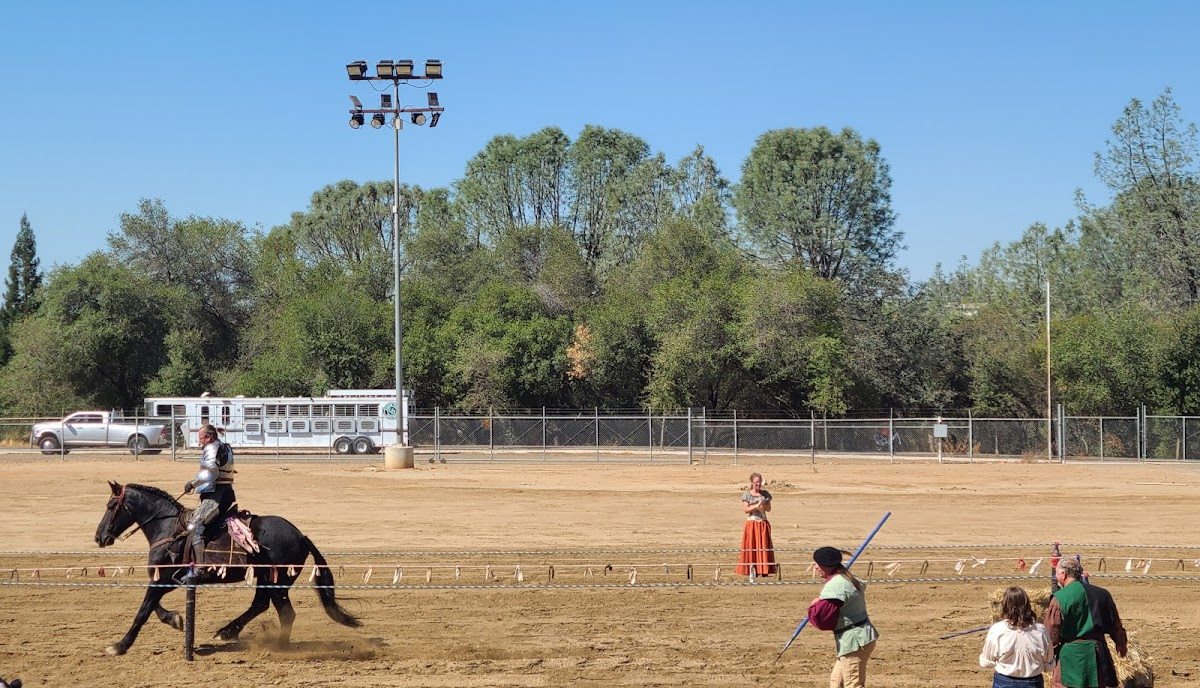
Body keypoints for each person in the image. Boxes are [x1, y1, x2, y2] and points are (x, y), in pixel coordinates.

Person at [1044, 558, 1127, 688]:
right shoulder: (1103, 594)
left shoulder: (1059, 598)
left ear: (1063, 574)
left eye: (1057, 573)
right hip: (1098, 654)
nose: (1055, 576)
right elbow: (1115, 625)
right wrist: (1121, 644)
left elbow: (1051, 632)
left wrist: (1049, 655)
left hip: (1070, 656)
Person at [807, 546, 878, 688]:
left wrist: (814, 606)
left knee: (853, 685)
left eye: (816, 564)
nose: (814, 567)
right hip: (858, 639)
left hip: (854, 642)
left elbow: (823, 620)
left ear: (824, 566)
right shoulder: (846, 577)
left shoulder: (836, 585)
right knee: (837, 682)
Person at [181, 424, 237, 580]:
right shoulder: (225, 446)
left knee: (195, 526)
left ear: (209, 437)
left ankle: (200, 568)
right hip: (226, 493)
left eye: (201, 438)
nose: (200, 442)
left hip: (215, 496)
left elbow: (211, 472)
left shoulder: (212, 447)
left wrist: (192, 483)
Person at [979, 586, 1055, 687]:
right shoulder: (1040, 630)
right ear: (1027, 605)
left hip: (1004, 682)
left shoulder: (997, 630)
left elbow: (987, 662)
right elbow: (1049, 665)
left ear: (1004, 606)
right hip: (1033, 682)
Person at [735, 472, 775, 576]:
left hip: (762, 522)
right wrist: (755, 506)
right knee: (752, 545)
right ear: (752, 482)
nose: (758, 483)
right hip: (752, 523)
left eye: (760, 481)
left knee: (763, 545)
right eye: (756, 482)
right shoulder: (747, 494)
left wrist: (763, 504)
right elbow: (745, 510)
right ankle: (752, 570)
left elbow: (769, 509)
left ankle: (764, 570)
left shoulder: (765, 494)